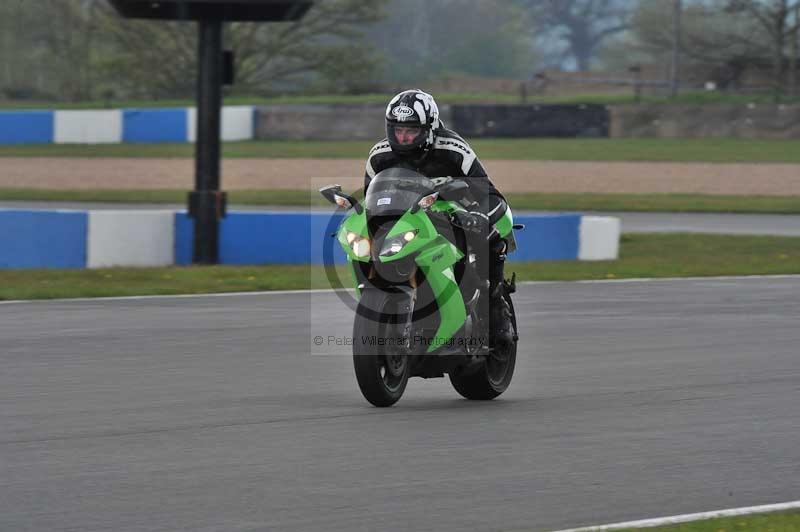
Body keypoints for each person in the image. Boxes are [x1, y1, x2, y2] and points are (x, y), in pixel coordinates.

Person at [364, 89, 512, 345]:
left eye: (411, 131)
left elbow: (489, 193)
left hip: (454, 212)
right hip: (409, 218)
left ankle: (495, 307)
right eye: (397, 130)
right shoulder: (379, 155)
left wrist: (478, 215)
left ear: (429, 128)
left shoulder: (454, 149)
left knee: (489, 235)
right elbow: (371, 199)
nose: (403, 137)